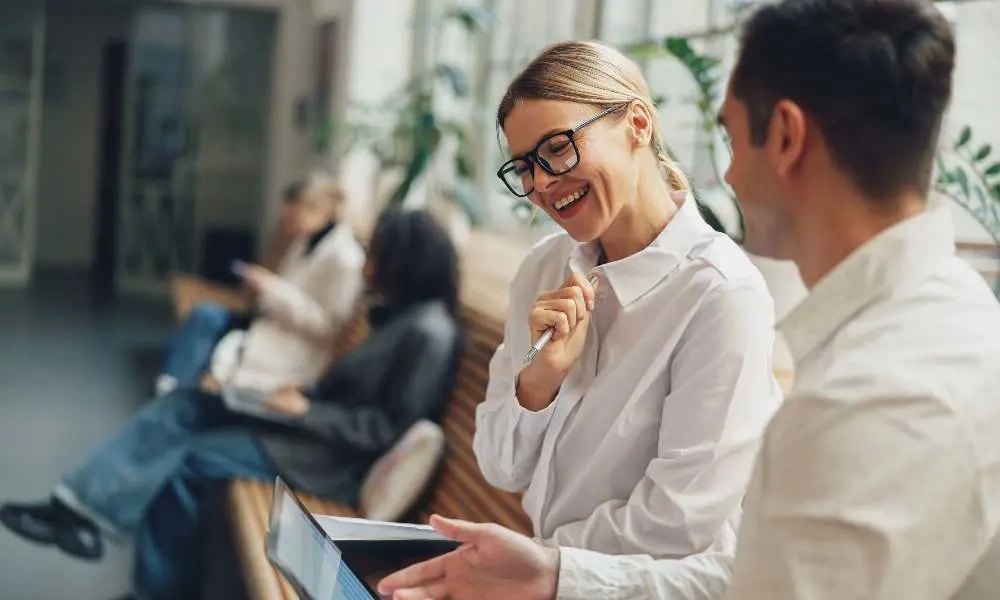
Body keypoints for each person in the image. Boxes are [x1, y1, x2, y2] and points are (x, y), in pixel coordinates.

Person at [378, 1, 1000, 599]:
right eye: (525, 168)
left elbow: (700, 540)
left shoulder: (870, 388)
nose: (723, 177)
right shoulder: (928, 334)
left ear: (784, 136)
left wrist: (554, 569)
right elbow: (751, 580)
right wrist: (554, 573)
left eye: (729, 137)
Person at [0, 208, 463, 600]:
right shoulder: (408, 316)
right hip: (306, 422)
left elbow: (386, 427)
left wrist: (305, 410)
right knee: (185, 405)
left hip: (326, 458)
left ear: (406, 260)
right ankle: (74, 508)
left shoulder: (429, 333)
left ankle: (154, 588)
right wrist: (295, 398)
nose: (369, 263)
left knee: (192, 459)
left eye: (379, 253)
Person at [474, 40, 780, 562]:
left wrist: (537, 562)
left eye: (557, 148)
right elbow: (500, 466)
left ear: (638, 124)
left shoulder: (721, 295)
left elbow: (677, 520)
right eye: (525, 167)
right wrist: (538, 380)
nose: (543, 183)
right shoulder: (544, 269)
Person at [155, 172, 365, 396]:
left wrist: (273, 289)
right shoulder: (306, 242)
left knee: (209, 326)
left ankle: (174, 392)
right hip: (270, 318)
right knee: (205, 317)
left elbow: (328, 327)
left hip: (296, 344)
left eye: (293, 216)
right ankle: (172, 387)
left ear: (321, 211)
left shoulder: (345, 259)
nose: (287, 222)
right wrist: (263, 287)